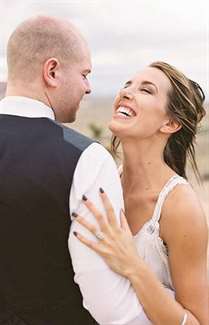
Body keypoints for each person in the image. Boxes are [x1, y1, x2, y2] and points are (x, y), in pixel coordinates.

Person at [0, 15, 160, 325]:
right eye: (85, 74)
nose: (88, 88)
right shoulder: (86, 159)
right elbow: (110, 307)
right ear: (52, 71)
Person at [72, 62, 209, 324]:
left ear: (170, 123)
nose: (126, 92)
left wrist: (133, 265)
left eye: (146, 90)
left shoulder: (179, 206)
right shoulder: (104, 181)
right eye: (127, 85)